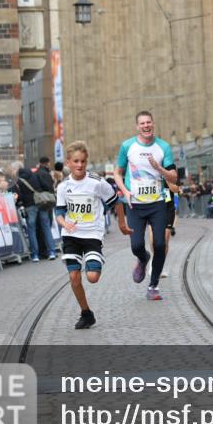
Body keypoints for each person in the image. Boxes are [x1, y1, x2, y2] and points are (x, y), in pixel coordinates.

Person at [55, 140, 130, 330]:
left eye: (83, 161)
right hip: (71, 236)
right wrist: (65, 223)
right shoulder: (63, 187)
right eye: (76, 161)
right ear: (68, 162)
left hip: (92, 235)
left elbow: (117, 201)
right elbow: (59, 213)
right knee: (73, 276)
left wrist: (122, 224)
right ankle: (86, 313)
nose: (79, 165)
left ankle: (93, 262)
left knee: (92, 277)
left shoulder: (97, 183)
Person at [114, 110, 177, 301]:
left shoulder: (163, 147)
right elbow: (118, 172)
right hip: (135, 205)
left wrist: (159, 168)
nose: (146, 126)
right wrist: (125, 191)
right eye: (142, 123)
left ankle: (153, 285)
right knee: (137, 245)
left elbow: (174, 177)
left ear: (153, 124)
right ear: (137, 126)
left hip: (157, 203)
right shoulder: (127, 146)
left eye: (149, 122)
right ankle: (143, 258)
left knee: (159, 243)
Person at [14, 166, 57, 262]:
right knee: (46, 228)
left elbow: (19, 195)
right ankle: (52, 252)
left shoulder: (19, 181)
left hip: (29, 206)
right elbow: (46, 186)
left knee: (31, 230)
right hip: (41, 203)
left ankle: (35, 255)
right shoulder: (36, 176)